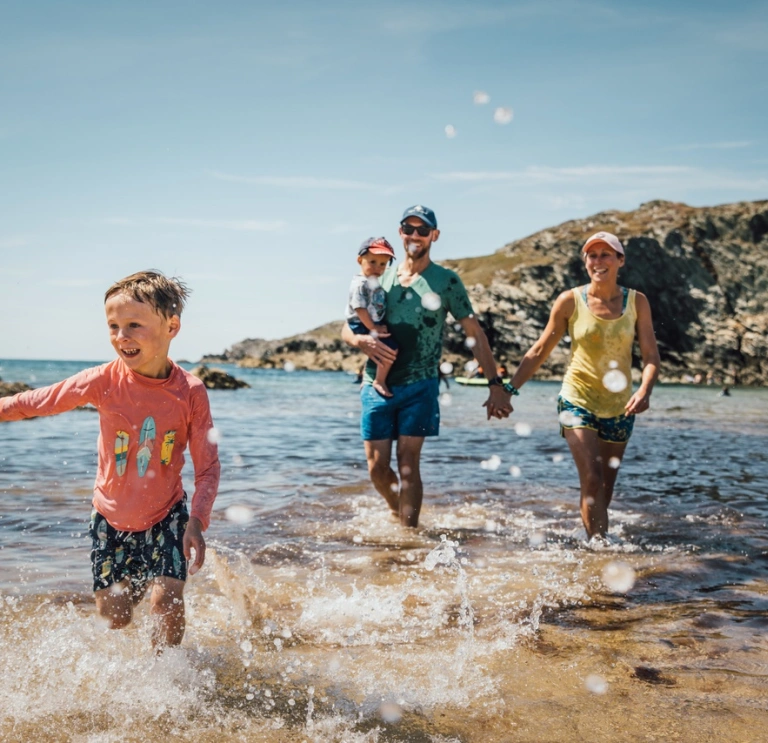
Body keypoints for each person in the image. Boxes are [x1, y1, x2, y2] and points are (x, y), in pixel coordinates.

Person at [0, 270, 220, 649]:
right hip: (110, 518)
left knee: (166, 601)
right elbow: (35, 402)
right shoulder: (102, 381)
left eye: (134, 324)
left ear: (172, 326)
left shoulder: (190, 392)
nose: (122, 336)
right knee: (115, 620)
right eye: (113, 326)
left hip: (168, 514)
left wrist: (196, 521)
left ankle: (169, 684)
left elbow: (208, 467)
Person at [342, 205, 513, 527]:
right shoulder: (380, 273)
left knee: (408, 464)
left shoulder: (446, 281)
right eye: (409, 228)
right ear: (400, 232)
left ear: (434, 235)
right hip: (376, 383)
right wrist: (359, 342)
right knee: (377, 468)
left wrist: (495, 385)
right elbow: (348, 323)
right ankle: (397, 510)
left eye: (423, 230)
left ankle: (409, 537)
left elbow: (474, 333)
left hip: (421, 385)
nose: (415, 235)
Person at [508, 232, 660, 541]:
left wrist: (644, 390)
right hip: (576, 399)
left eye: (607, 254)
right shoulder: (570, 301)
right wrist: (508, 390)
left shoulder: (637, 302)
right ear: (585, 261)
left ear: (620, 261)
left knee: (605, 486)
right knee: (591, 478)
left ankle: (594, 538)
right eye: (593, 255)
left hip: (620, 406)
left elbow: (651, 356)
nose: (599, 261)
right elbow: (539, 351)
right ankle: (599, 551)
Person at [345, 237, 398, 397]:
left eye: (383, 264)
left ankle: (377, 377)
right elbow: (360, 309)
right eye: (372, 262)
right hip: (361, 323)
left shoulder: (371, 281)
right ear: (360, 260)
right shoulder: (361, 284)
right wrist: (373, 328)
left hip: (368, 322)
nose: (377, 267)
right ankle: (379, 380)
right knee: (390, 348)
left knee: (385, 347)